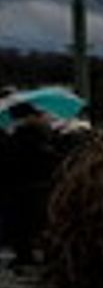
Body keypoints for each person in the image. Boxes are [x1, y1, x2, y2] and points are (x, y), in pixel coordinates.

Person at [0, 102, 59, 269]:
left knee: (21, 225)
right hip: (42, 185)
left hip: (22, 187)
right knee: (41, 223)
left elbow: (10, 161)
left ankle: (25, 256)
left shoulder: (19, 137)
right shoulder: (46, 134)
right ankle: (47, 255)